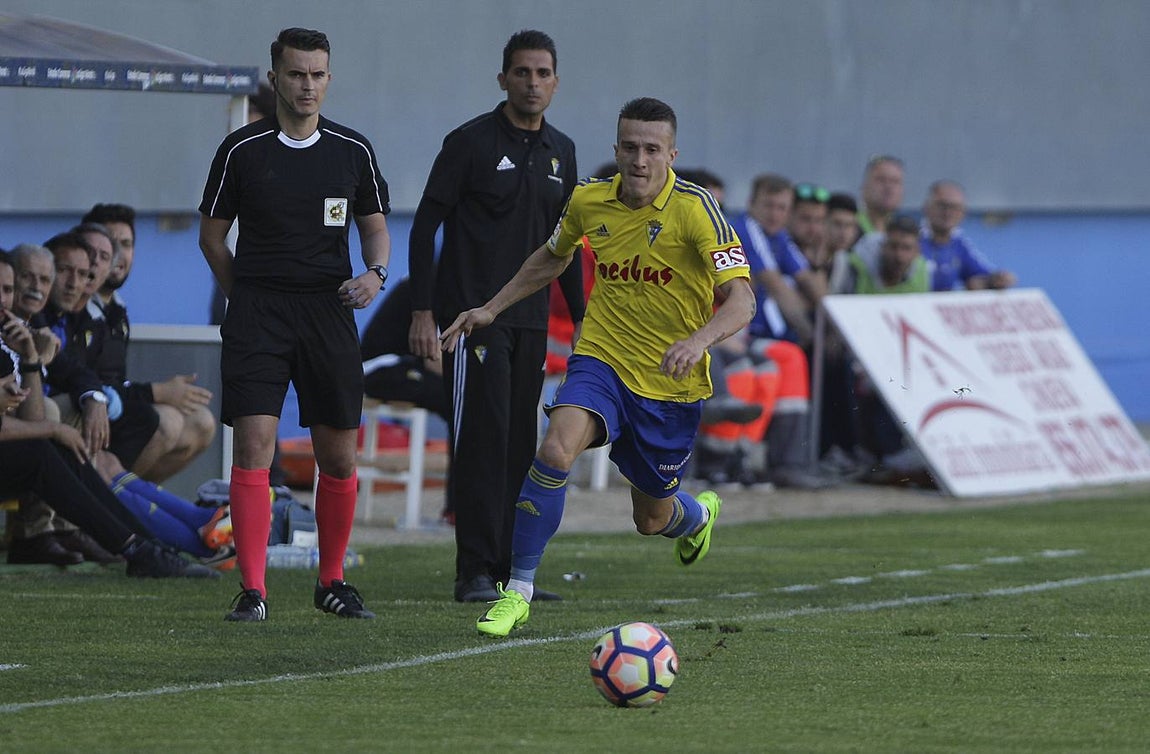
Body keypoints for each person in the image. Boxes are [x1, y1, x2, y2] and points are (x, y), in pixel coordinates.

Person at [441, 97, 756, 637]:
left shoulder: (696, 209)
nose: (639, 160)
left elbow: (741, 299)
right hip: (602, 358)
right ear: (616, 149)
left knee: (650, 519)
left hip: (668, 381)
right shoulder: (588, 199)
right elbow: (553, 255)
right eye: (630, 147)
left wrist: (698, 340)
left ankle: (697, 517)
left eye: (652, 150)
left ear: (671, 154)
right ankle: (517, 591)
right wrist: (492, 307)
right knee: (555, 448)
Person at [199, 27, 392, 621]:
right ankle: (253, 591)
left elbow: (374, 225)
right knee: (254, 444)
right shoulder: (242, 150)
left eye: (317, 74)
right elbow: (211, 235)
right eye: (296, 74)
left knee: (338, 455)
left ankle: (330, 580)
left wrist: (375, 274)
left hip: (329, 311)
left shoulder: (352, 151)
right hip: (259, 312)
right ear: (275, 77)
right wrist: (246, 298)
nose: (307, 85)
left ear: (328, 78)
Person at [408, 29, 584, 604]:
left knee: (518, 447)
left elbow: (568, 246)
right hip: (472, 321)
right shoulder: (470, 143)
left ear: (556, 82)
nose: (533, 83)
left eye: (543, 74)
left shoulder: (563, 150)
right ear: (503, 78)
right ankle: (474, 572)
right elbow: (425, 226)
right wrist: (423, 310)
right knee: (481, 442)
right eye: (523, 72)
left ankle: (513, 571)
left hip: (531, 320)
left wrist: (584, 321)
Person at [0, 349, 218, 579]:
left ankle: (144, 545)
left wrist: (31, 358)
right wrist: (54, 428)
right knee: (39, 452)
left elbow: (80, 375)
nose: (14, 391)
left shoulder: (22, 334)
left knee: (65, 450)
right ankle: (140, 547)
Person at [81, 204, 217, 481]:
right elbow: (90, 383)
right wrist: (157, 392)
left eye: (126, 244)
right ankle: (111, 507)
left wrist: (158, 393)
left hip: (113, 411)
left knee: (202, 423)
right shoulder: (77, 308)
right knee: (166, 422)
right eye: (109, 245)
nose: (118, 255)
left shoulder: (117, 310)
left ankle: (130, 499)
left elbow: (116, 384)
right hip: (86, 412)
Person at [919, 180, 1016, 291]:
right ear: (926, 207)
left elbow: (980, 275)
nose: (948, 213)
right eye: (942, 205)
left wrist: (997, 279)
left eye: (955, 207)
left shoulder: (958, 243)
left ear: (963, 213)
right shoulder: (911, 240)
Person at [857, 155, 904, 235]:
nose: (889, 187)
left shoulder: (905, 233)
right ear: (864, 188)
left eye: (895, 181)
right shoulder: (849, 227)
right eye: (881, 180)